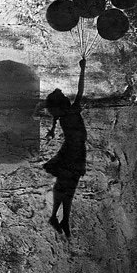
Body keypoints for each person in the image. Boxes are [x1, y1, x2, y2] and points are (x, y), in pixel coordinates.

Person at [43, 57, 87, 238]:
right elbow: (80, 90)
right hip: (72, 152)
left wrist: (83, 69)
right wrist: (83, 69)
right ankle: (57, 217)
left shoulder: (66, 113)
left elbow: (80, 90)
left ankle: (62, 218)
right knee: (66, 186)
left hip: (75, 152)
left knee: (67, 186)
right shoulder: (69, 112)